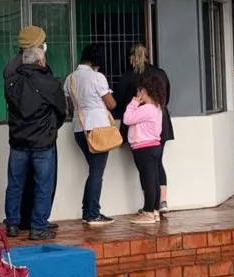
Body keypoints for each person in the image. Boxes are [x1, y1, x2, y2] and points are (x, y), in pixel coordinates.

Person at [4, 46, 66, 241]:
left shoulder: (12, 83)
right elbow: (61, 112)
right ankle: (38, 226)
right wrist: (50, 129)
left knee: (15, 184)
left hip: (18, 141)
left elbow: (12, 109)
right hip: (43, 143)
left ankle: (12, 224)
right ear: (41, 62)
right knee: (43, 186)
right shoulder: (50, 83)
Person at [114, 44, 174, 212]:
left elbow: (118, 103)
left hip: (139, 130)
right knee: (157, 164)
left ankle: (149, 207)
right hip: (161, 123)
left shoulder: (128, 77)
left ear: (132, 58)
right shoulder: (160, 73)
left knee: (145, 170)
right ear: (147, 56)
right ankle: (162, 202)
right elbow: (166, 97)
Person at [64, 43, 117, 226]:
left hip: (79, 128)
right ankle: (92, 213)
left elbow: (71, 106)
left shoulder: (70, 78)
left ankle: (88, 211)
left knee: (93, 170)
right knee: (96, 172)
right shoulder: (97, 77)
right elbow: (111, 104)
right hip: (98, 128)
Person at [124, 74, 167, 225]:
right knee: (153, 179)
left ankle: (148, 212)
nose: (138, 93)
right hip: (153, 146)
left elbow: (127, 119)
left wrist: (134, 102)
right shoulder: (156, 107)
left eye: (140, 90)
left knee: (147, 180)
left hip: (144, 148)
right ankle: (154, 210)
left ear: (146, 91)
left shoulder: (147, 108)